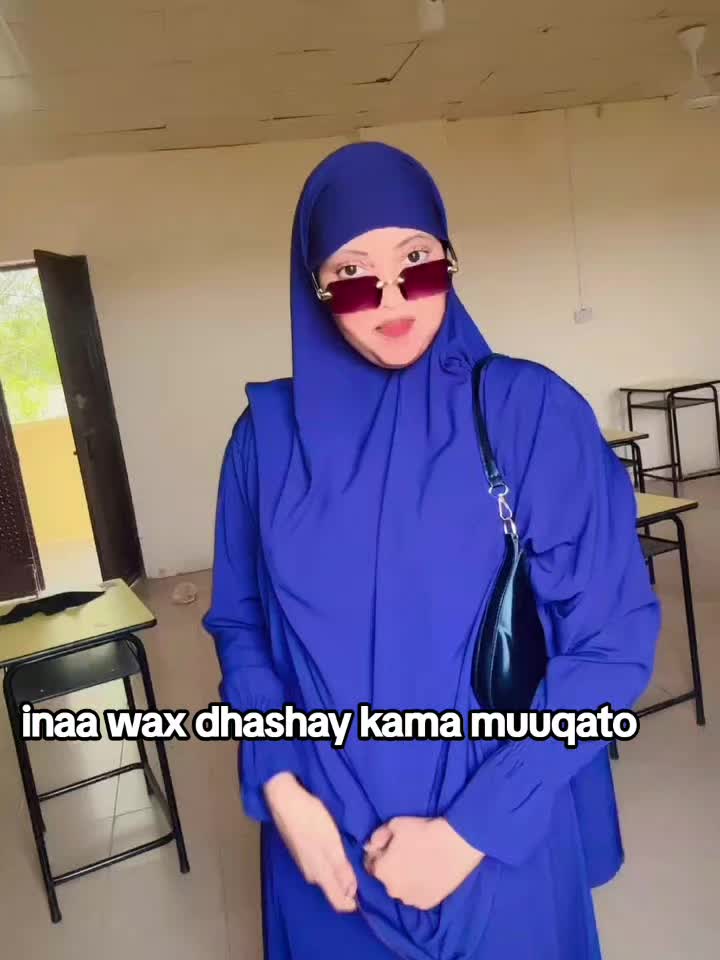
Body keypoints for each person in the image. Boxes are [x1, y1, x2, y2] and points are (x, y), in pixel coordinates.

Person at [202, 142, 661, 960]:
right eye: (352, 274)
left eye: (416, 262)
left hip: (497, 833)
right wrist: (279, 783)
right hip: (324, 846)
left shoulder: (526, 412)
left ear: (450, 261)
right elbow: (241, 627)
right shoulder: (265, 444)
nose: (390, 298)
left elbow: (612, 640)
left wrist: (469, 832)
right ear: (314, 289)